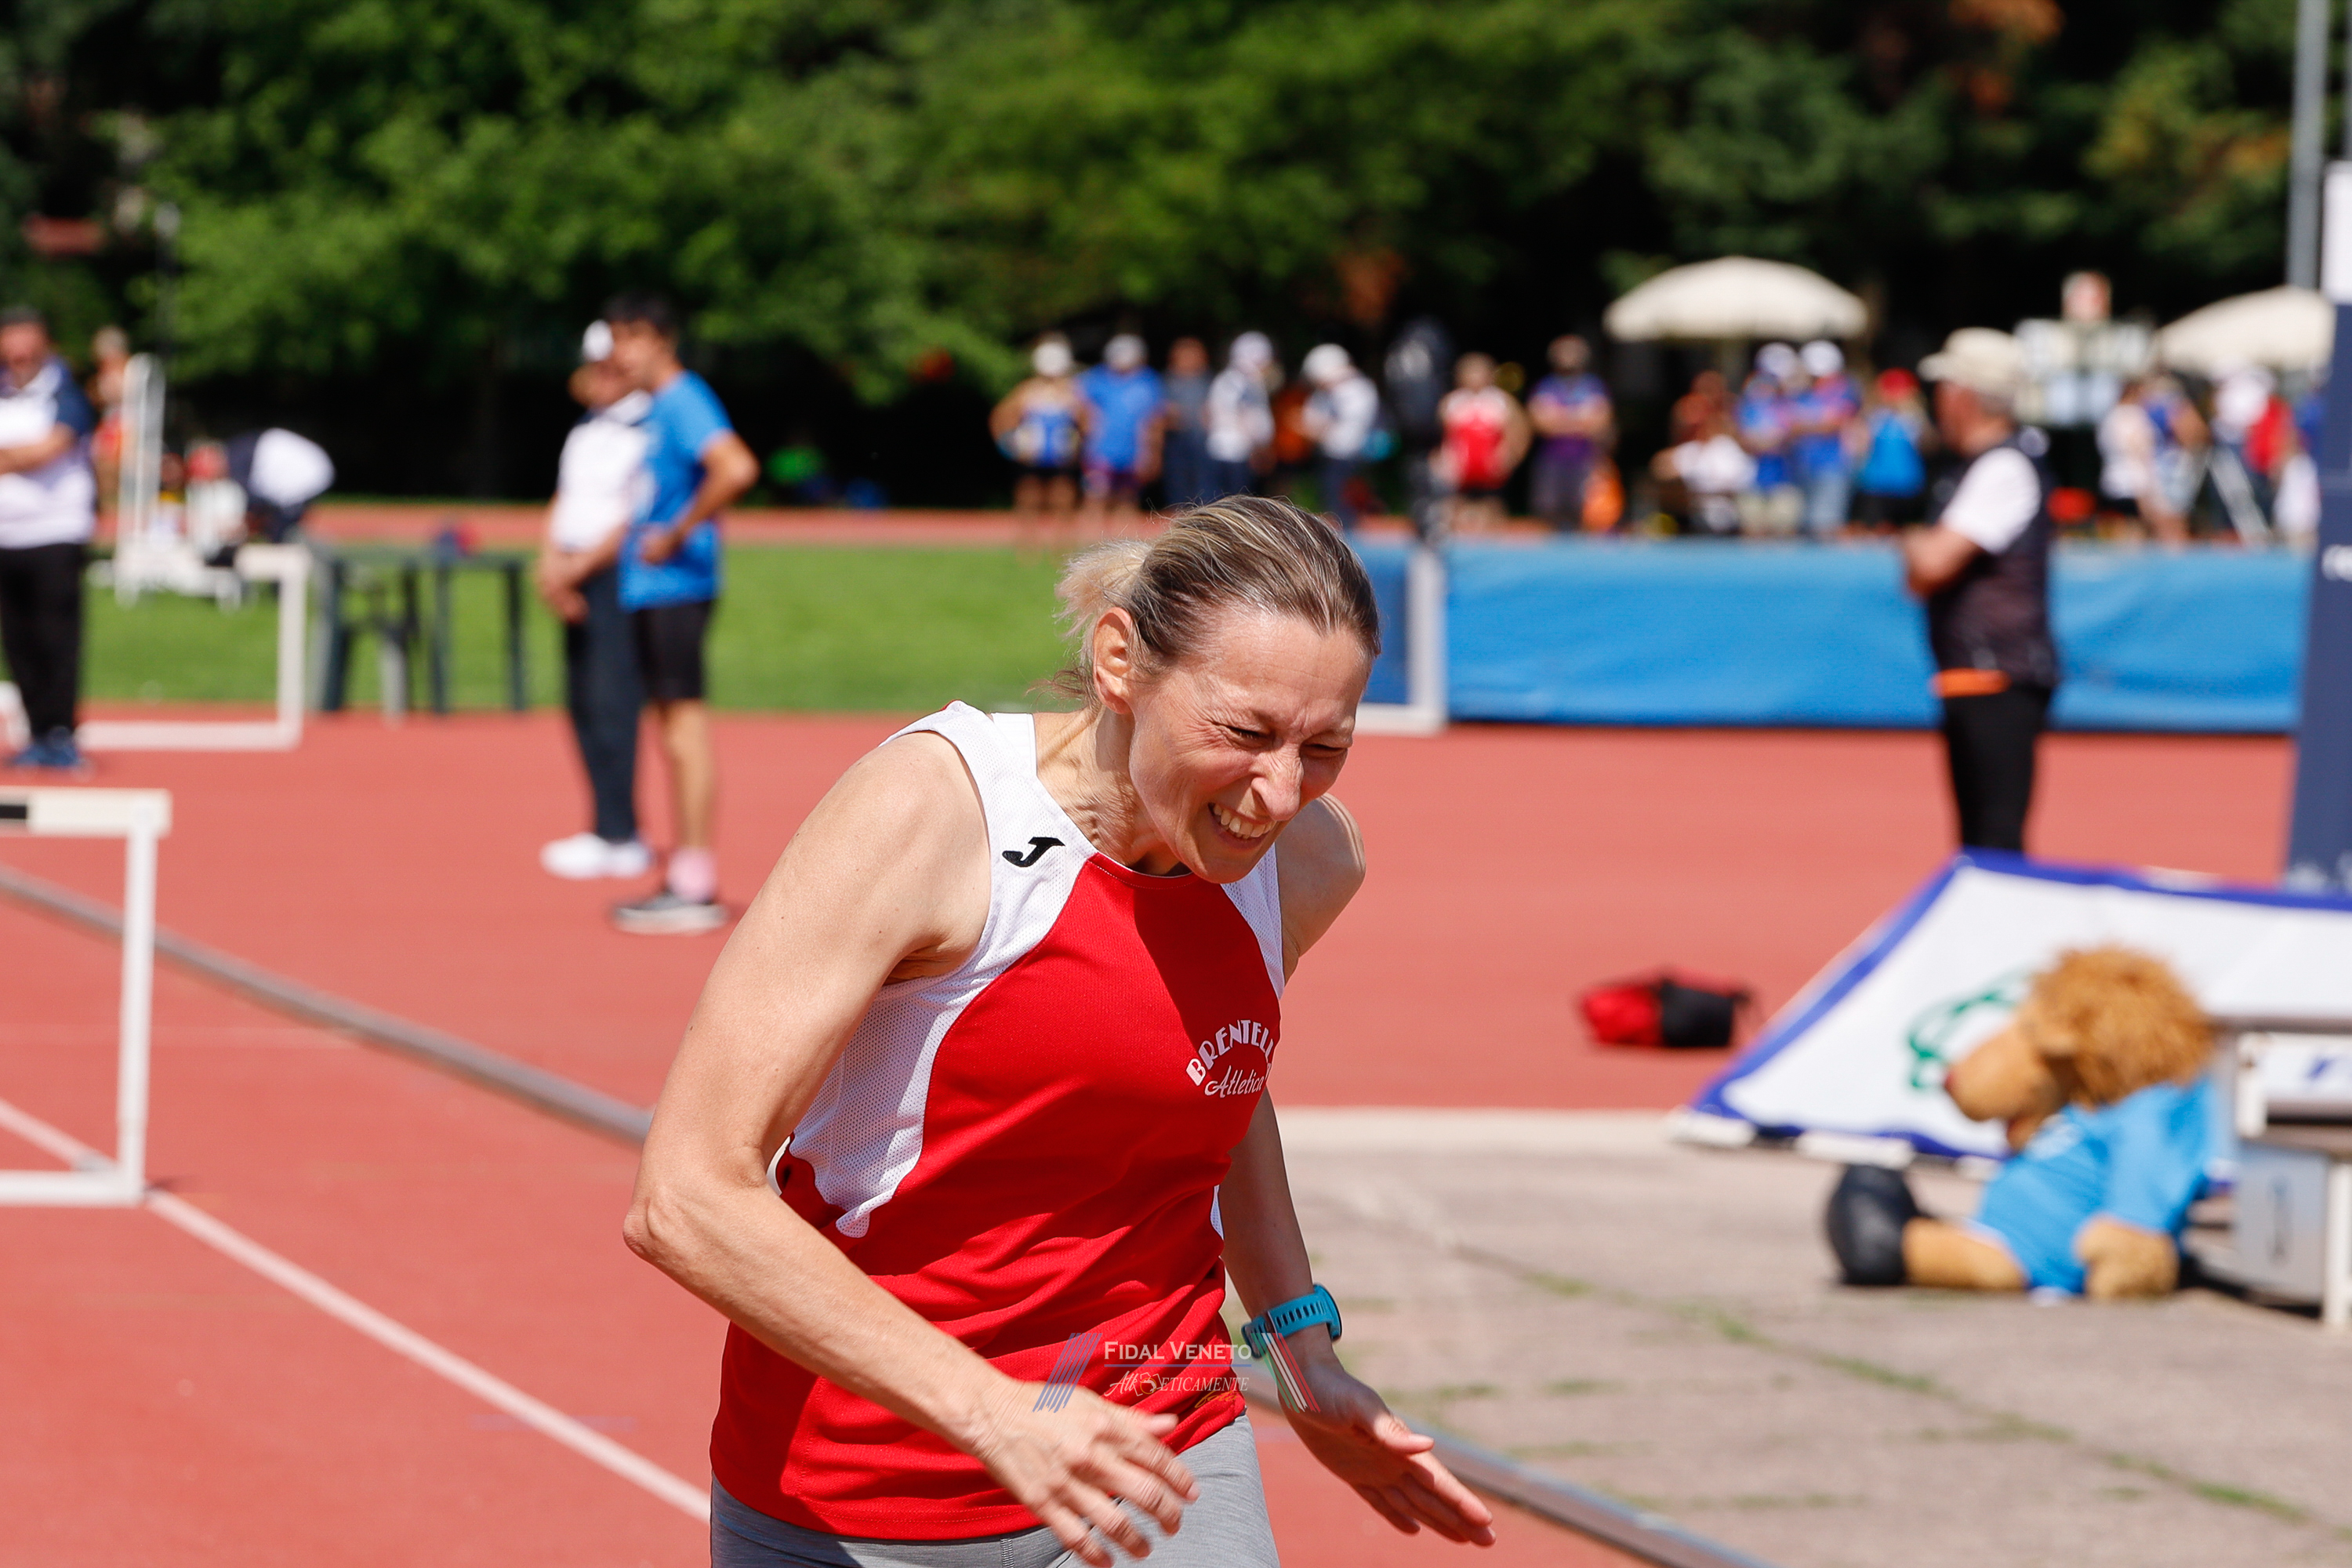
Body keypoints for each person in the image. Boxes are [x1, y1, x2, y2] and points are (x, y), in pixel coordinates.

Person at [623, 498, 1497, 1565]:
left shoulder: (1306, 861)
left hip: (1160, 1446)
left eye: (1327, 746)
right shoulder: (933, 815)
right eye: (1245, 733)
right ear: (1120, 661)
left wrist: (1301, 1350)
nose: (1279, 793)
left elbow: (1213, 1075)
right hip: (862, 1490)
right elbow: (686, 1196)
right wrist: (997, 1412)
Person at [604, 293, 760, 935]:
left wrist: (676, 532)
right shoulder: (658, 407)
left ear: (662, 340)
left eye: (631, 338)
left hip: (677, 586)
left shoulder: (683, 400)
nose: (620, 353)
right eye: (615, 338)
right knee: (670, 728)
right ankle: (685, 874)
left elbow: (736, 467)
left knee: (684, 729)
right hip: (654, 588)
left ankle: (694, 881)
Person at [1904, 328, 2059, 855]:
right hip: (1976, 672)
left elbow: (1931, 563)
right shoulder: (1977, 466)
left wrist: (1916, 546)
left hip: (1998, 673)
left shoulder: (2003, 465)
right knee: (1980, 843)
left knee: (1995, 840)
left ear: (1964, 395)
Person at [535, 321, 655, 883]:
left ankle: (622, 831)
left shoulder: (645, 428)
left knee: (613, 702)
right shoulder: (587, 427)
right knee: (581, 699)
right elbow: (567, 498)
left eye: (609, 368)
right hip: (572, 570)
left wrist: (577, 569)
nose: (597, 378)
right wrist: (550, 564)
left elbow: (631, 514)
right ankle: (603, 824)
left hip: (612, 577)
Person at [0, 308, 99, 772]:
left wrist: (13, 458)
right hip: (6, 536)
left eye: (27, 341)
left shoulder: (65, 391)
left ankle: (61, 732)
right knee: (16, 641)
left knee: (55, 637)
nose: (19, 352)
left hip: (56, 534)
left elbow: (53, 446)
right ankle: (37, 731)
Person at [992, 336, 1088, 539]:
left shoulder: (1073, 391)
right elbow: (1000, 417)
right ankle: (1028, 541)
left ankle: (1061, 541)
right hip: (1032, 455)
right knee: (1029, 496)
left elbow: (1088, 421)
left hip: (1062, 456)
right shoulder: (1027, 390)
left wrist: (1079, 443)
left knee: (1063, 496)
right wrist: (1010, 446)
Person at [1526, 336, 1613, 532]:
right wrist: (1580, 419)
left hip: (1585, 459)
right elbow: (1540, 422)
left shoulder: (1594, 386)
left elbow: (1600, 422)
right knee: (1548, 511)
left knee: (1586, 513)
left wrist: (1559, 418)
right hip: (1551, 459)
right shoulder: (1545, 386)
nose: (1568, 357)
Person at [1077, 335, 1164, 528]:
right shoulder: (1096, 379)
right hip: (1101, 451)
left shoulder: (1148, 381)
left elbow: (1154, 420)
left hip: (1134, 452)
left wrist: (1153, 453)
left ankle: (1123, 542)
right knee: (1095, 496)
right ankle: (1089, 541)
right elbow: (1082, 411)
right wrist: (1086, 437)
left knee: (1128, 499)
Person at [1436, 352, 1528, 533]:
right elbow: (1443, 436)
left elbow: (1520, 432)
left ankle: (1494, 545)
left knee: (1492, 508)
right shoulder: (1451, 402)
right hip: (1462, 470)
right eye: (1470, 372)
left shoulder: (1501, 401)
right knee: (1455, 508)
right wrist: (1443, 458)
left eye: (1478, 372)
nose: (1474, 377)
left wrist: (1511, 457)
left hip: (1491, 469)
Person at [1298, 343, 1381, 532]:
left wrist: (1321, 428)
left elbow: (1353, 425)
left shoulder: (1358, 390)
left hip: (1355, 456)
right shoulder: (1324, 395)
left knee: (1353, 504)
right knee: (1332, 502)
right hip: (1330, 456)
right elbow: (1312, 419)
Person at [1790, 340, 1857, 537]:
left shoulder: (1842, 389)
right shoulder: (1802, 391)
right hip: (1802, 467)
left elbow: (1834, 424)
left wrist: (1803, 426)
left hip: (1831, 468)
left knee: (1824, 525)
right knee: (1804, 527)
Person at [222, 427, 335, 542]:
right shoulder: (241, 451)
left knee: (281, 531)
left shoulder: (238, 461)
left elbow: (254, 504)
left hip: (307, 478)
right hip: (308, 476)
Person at [1735, 344, 1800, 535]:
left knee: (1784, 532)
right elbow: (1745, 440)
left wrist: (1769, 441)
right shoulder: (1747, 406)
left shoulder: (1788, 404)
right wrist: (1772, 441)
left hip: (1784, 479)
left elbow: (1791, 436)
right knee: (1753, 532)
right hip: (1752, 481)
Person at [1853, 368, 1929, 531]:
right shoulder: (1874, 416)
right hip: (1876, 483)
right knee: (1875, 529)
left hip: (1907, 483)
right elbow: (1859, 445)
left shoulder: (1913, 418)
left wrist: (1911, 412)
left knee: (1906, 530)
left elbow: (1928, 444)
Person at [1203, 332, 1276, 499]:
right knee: (1237, 504)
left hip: (1218, 448)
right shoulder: (1247, 383)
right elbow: (1251, 419)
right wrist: (1261, 445)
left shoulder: (1224, 379)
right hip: (1239, 452)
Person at [1158, 338, 1213, 508]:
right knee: (1177, 486)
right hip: (1176, 441)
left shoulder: (1209, 381)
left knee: (1204, 487)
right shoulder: (1167, 381)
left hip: (1203, 443)